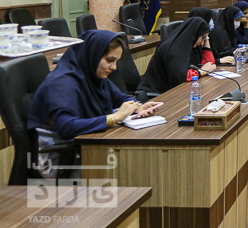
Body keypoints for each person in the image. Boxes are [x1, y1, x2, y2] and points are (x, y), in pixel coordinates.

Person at [27, 30, 157, 175]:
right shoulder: (61, 83)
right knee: (133, 168)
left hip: (84, 147)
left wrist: (138, 107)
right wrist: (113, 118)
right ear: (93, 55)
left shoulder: (92, 76)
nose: (114, 67)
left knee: (137, 165)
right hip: (59, 161)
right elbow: (67, 127)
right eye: (110, 60)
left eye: (116, 61)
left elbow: (121, 97)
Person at [136, 17, 216, 98]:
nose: (202, 43)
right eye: (203, 38)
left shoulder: (192, 45)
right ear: (194, 33)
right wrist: (200, 72)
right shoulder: (173, 49)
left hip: (176, 90)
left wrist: (206, 39)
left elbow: (208, 65)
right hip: (156, 94)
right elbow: (179, 76)